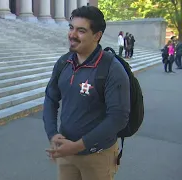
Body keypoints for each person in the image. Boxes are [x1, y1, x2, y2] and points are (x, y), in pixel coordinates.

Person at [43, 6, 130, 180]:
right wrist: (52, 134)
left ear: (97, 36)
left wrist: (77, 146)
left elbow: (118, 118)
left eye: (81, 30)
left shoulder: (112, 69)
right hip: (66, 153)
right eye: (71, 28)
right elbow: (51, 98)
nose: (72, 34)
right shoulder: (63, 62)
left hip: (98, 156)